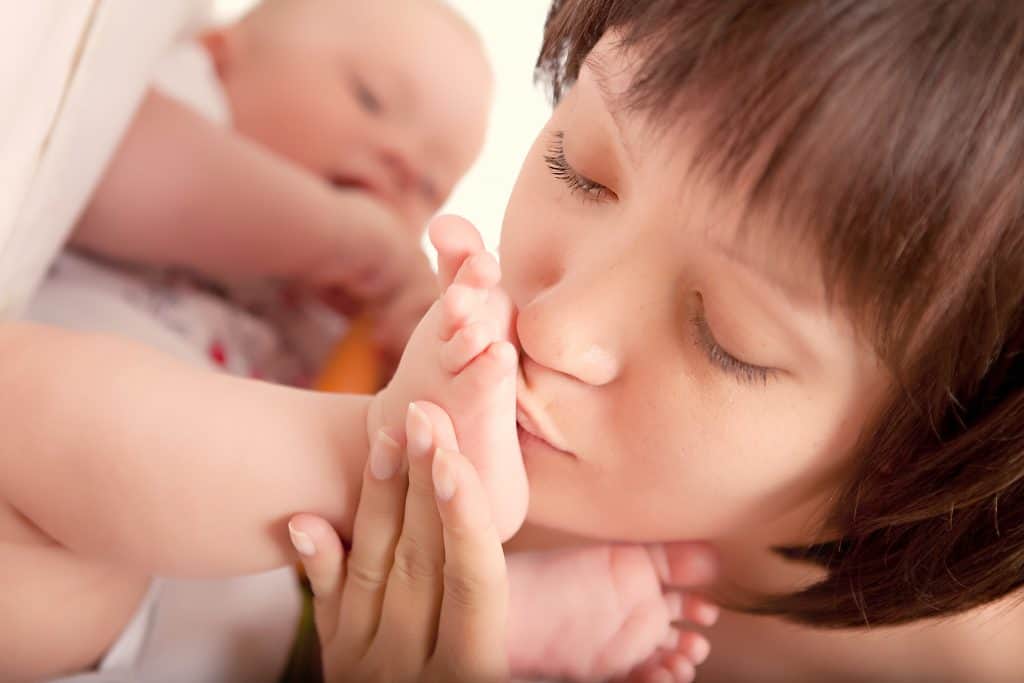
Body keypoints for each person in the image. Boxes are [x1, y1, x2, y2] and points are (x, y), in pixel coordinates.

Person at [29, 0, 493, 384]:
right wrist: (339, 236)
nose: (403, 162)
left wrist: (403, 357)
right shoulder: (192, 98)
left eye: (431, 187)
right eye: (371, 99)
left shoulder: (332, 307)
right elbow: (88, 164)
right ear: (220, 54)